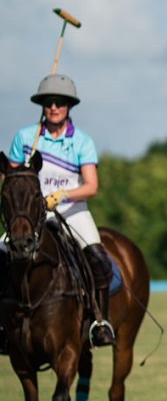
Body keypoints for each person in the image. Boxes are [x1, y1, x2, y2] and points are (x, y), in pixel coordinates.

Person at [1, 74, 115, 351]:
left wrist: (61, 195)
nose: (54, 107)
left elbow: (91, 186)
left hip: (72, 210)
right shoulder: (26, 138)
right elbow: (9, 179)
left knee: (98, 258)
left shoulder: (82, 141)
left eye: (60, 103)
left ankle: (99, 322)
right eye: (49, 102)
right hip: (32, 215)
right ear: (42, 105)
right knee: (2, 254)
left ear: (68, 107)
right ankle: (4, 324)